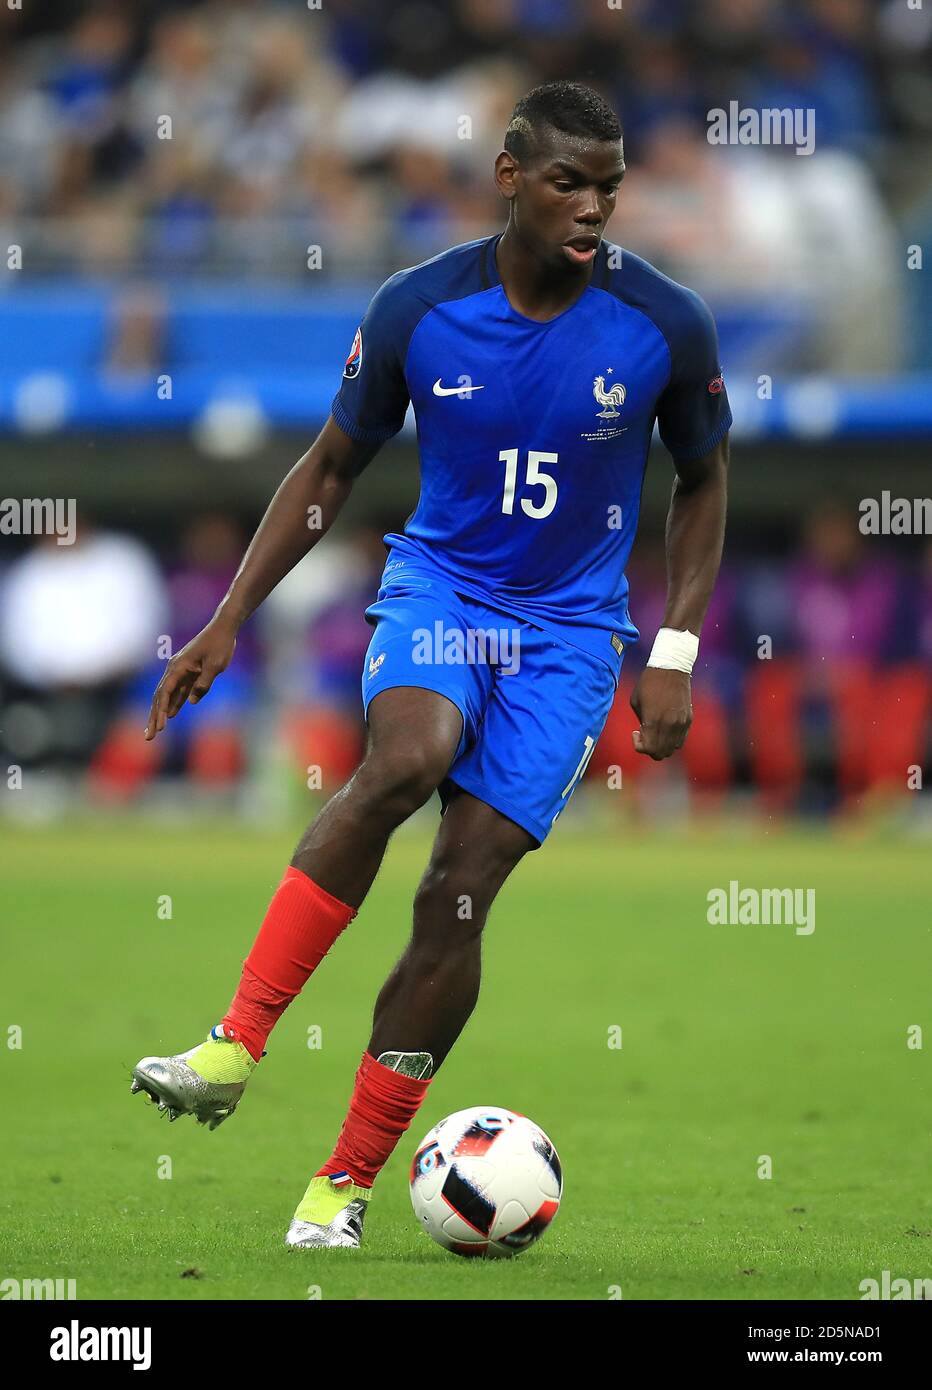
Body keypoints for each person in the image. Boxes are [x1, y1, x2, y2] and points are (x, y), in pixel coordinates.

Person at [132, 81, 731, 1249]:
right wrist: (226, 618)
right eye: (567, 183)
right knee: (405, 760)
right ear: (508, 177)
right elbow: (326, 468)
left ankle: (340, 1185)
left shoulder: (665, 322)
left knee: (456, 890)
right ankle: (234, 1044)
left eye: (607, 187)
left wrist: (673, 648)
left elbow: (704, 480)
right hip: (443, 589)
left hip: (569, 633)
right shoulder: (418, 309)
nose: (592, 208)